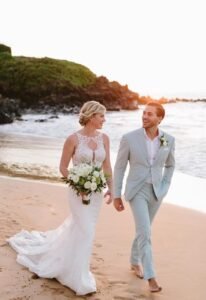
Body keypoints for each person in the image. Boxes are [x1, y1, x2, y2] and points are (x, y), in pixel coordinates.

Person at [7, 100, 113, 296]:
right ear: (91, 117)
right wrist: (79, 184)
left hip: (96, 193)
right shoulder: (73, 139)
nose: (104, 120)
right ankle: (79, 277)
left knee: (81, 229)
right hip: (77, 192)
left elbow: (107, 167)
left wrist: (112, 189)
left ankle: (71, 264)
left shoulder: (104, 139)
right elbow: (63, 168)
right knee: (86, 231)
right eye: (101, 116)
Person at [113, 102, 175, 293]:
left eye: (150, 114)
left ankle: (134, 260)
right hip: (136, 190)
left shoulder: (169, 139)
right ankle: (151, 277)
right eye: (144, 113)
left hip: (157, 192)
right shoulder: (129, 138)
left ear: (159, 118)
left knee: (144, 230)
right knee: (146, 233)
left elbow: (170, 165)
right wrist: (117, 194)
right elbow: (120, 167)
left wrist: (165, 186)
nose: (145, 117)